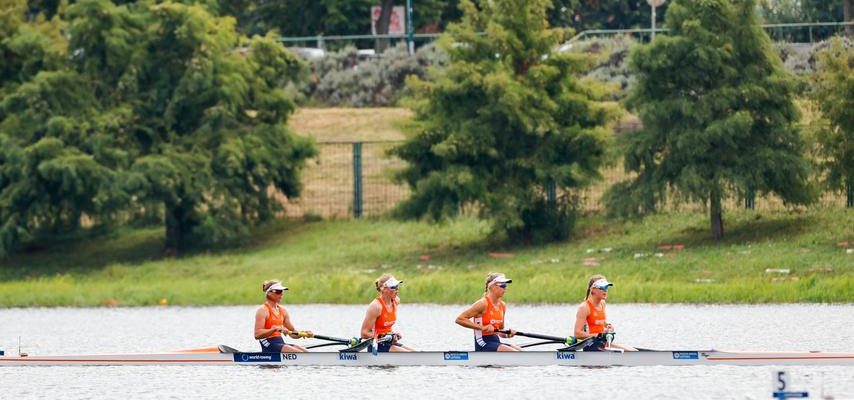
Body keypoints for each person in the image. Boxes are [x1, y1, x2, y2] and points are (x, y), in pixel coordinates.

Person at [455, 272, 523, 352]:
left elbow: (500, 331)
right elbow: (460, 319)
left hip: (495, 342)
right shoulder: (482, 304)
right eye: (503, 285)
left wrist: (508, 334)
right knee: (515, 353)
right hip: (482, 343)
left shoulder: (502, 305)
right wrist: (483, 327)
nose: (505, 288)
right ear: (492, 287)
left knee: (522, 352)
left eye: (506, 285)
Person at [573, 275, 636, 351]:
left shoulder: (603, 304)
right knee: (632, 351)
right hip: (591, 345)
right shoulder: (584, 307)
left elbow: (598, 322)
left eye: (607, 287)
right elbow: (577, 334)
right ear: (593, 290)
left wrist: (607, 326)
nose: (606, 290)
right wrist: (598, 335)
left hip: (602, 343)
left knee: (632, 349)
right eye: (603, 288)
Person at [254, 280, 314, 353]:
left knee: (307, 353)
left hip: (280, 343)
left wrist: (304, 333)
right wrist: (274, 329)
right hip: (269, 345)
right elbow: (257, 334)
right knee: (300, 354)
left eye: (282, 291)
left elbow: (293, 333)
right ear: (269, 293)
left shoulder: (283, 311)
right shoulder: (263, 311)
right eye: (278, 291)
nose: (282, 294)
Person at [359, 274, 415, 352]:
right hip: (376, 346)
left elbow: (384, 328)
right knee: (411, 356)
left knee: (414, 352)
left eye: (397, 286)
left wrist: (393, 335)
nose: (397, 289)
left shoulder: (396, 301)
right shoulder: (376, 306)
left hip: (388, 343)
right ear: (383, 289)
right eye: (393, 287)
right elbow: (364, 333)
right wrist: (385, 336)